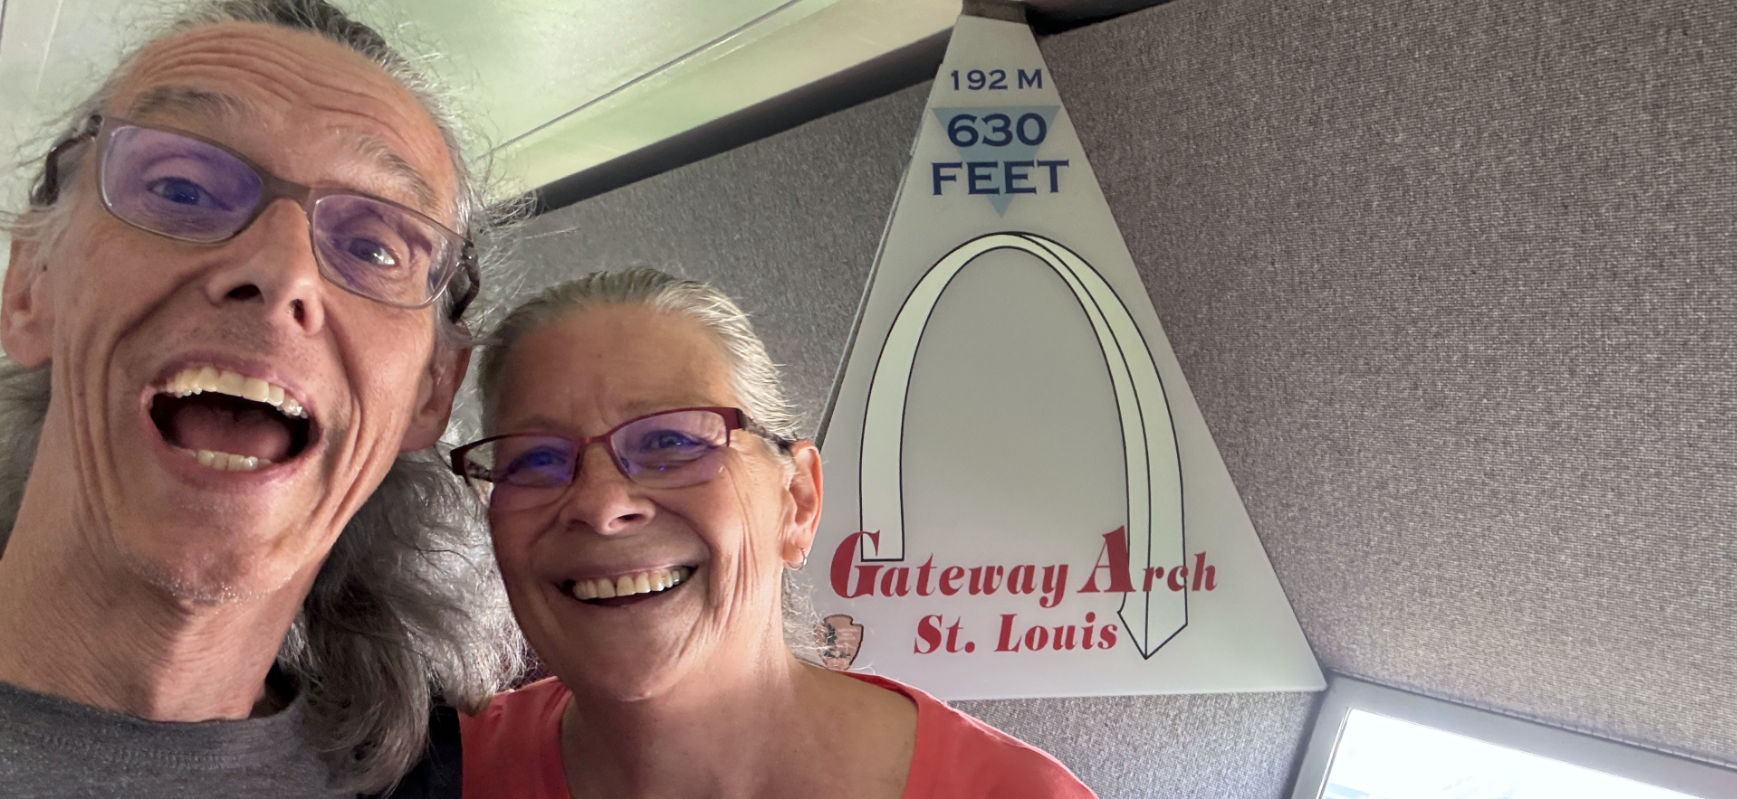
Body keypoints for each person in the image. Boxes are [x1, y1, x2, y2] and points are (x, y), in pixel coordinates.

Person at [0, 1, 521, 795]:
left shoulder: (439, 776)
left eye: (374, 245)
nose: (282, 273)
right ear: (29, 285)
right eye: (180, 187)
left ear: (431, 391)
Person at [453, 267, 1095, 798]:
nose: (599, 505)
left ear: (798, 501)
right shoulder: (430, 777)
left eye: (672, 441)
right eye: (534, 458)